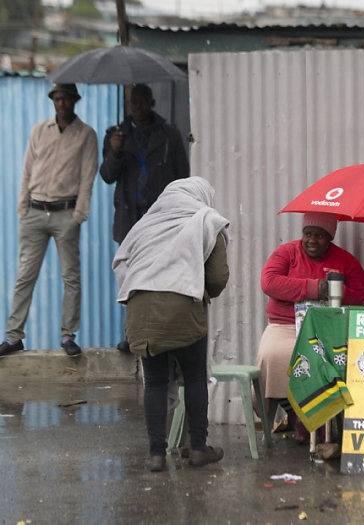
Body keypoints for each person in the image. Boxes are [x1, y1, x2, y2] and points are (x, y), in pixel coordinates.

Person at [112, 177, 229, 471]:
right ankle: (200, 447)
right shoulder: (206, 220)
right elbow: (216, 278)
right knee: (193, 376)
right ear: (202, 196)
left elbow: (121, 263)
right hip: (183, 304)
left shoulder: (144, 224)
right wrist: (196, 290)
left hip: (139, 306)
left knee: (154, 380)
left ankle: (156, 455)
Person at [0, 83, 98, 358]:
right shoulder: (38, 131)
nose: (62, 103)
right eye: (57, 98)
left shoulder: (86, 135)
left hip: (65, 213)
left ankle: (68, 336)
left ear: (75, 100)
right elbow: (27, 170)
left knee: (71, 278)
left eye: (67, 98)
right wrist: (22, 208)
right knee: (24, 278)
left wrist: (78, 215)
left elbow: (87, 178)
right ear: (52, 100)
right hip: (34, 212)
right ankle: (13, 336)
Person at [256, 212, 364, 442]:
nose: (312, 240)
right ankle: (296, 414)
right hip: (285, 326)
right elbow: (269, 282)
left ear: (330, 238)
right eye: (308, 234)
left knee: (325, 362)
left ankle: (316, 417)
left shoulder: (345, 260)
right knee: (271, 358)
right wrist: (316, 288)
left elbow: (362, 297)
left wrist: (337, 290)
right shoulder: (287, 252)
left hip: (327, 329)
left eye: (319, 235)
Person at [99, 83, 189, 352]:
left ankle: (162, 334)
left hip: (160, 218)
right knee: (131, 278)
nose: (136, 106)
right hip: (129, 219)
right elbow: (106, 176)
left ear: (151, 102)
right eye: (132, 101)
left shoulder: (168, 134)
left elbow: (182, 175)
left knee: (162, 275)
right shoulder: (115, 135)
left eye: (141, 101)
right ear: (128, 104)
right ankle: (133, 335)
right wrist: (115, 151)